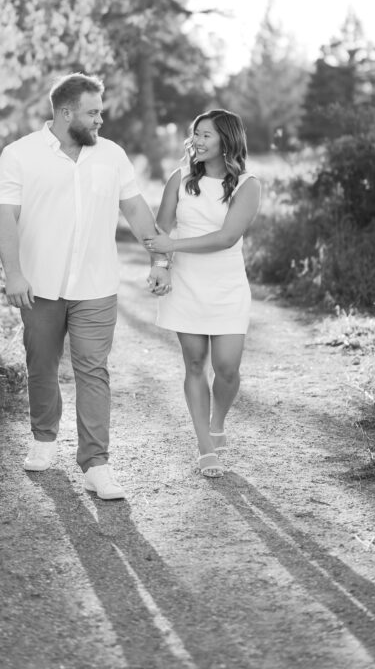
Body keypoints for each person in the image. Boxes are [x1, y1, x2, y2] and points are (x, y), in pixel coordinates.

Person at [0, 72, 170, 500]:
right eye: (92, 113)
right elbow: (4, 216)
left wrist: (159, 257)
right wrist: (13, 273)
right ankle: (44, 439)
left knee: (93, 370)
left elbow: (136, 210)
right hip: (38, 284)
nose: (100, 120)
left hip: (96, 284)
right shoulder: (19, 155)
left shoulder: (112, 155)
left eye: (100, 112)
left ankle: (96, 464)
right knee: (41, 364)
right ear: (66, 112)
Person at [144, 109, 261, 478]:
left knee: (227, 369)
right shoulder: (179, 178)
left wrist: (174, 246)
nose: (197, 140)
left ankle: (217, 422)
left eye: (206, 134)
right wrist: (160, 264)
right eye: (195, 133)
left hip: (227, 286)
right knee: (194, 363)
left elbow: (227, 237)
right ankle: (205, 446)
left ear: (227, 139)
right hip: (186, 284)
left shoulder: (248, 185)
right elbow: (161, 229)